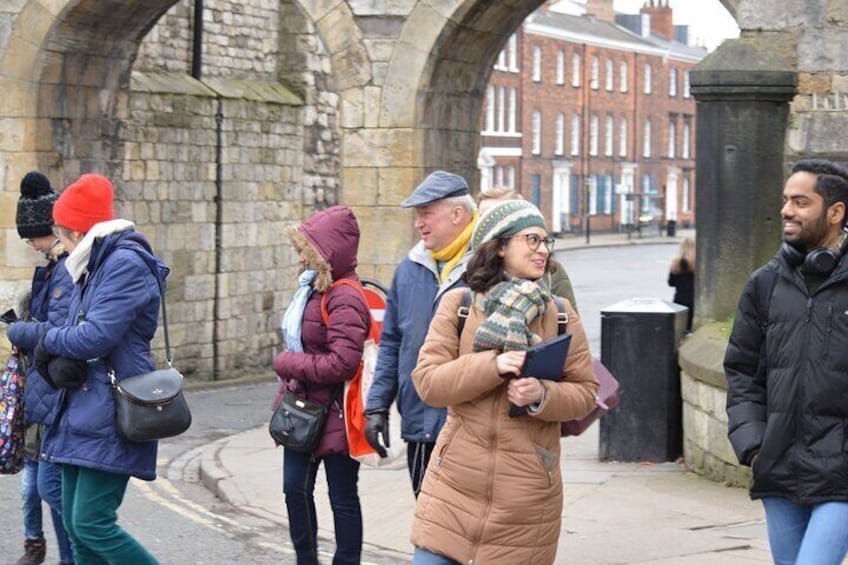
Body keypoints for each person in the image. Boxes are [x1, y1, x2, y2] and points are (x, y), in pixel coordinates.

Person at [408, 199, 598, 564]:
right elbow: (428, 382)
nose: (542, 250)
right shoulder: (459, 305)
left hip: (525, 500)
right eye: (531, 239)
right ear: (499, 245)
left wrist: (542, 394)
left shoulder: (559, 312)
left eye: (546, 242)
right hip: (453, 490)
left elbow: (586, 393)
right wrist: (492, 365)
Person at [33, 173, 168, 564]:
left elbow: (94, 336)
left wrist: (47, 340)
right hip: (85, 405)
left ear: (75, 228)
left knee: (93, 522)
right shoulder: (94, 263)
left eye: (60, 230)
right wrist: (56, 339)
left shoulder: (124, 262)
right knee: (77, 526)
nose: (58, 238)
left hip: (112, 406)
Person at [725, 158, 848, 565]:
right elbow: (742, 370)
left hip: (840, 474)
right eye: (785, 201)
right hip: (777, 467)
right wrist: (754, 445)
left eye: (800, 202)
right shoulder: (764, 284)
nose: (786, 211)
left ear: (835, 212)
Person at [364, 170, 478, 497]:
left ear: (458, 214)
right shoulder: (409, 269)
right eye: (417, 215)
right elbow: (392, 344)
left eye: (426, 212)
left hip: (471, 429)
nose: (419, 223)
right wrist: (377, 407)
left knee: (467, 533)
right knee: (428, 527)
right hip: (420, 427)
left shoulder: (488, 265)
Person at [273, 205, 370, 565]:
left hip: (335, 414)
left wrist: (287, 363)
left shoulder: (344, 295)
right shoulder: (312, 288)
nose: (300, 256)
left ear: (326, 252)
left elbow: (343, 362)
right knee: (293, 491)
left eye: (306, 249)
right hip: (301, 410)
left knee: (342, 498)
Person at [6, 172, 74, 565]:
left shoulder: (66, 270)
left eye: (33, 235)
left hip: (54, 389)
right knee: (39, 488)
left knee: (52, 490)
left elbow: (58, 330)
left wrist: (22, 328)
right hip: (40, 389)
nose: (30, 243)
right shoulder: (50, 267)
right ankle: (43, 547)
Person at [477, 185, 577, 308]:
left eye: (498, 215)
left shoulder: (551, 272)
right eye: (482, 216)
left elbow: (568, 320)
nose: (488, 224)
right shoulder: (469, 275)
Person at [667, 236, 695, 332]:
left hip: (679, 300)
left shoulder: (676, 263)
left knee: (679, 331)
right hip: (694, 301)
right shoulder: (698, 263)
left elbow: (671, 283)